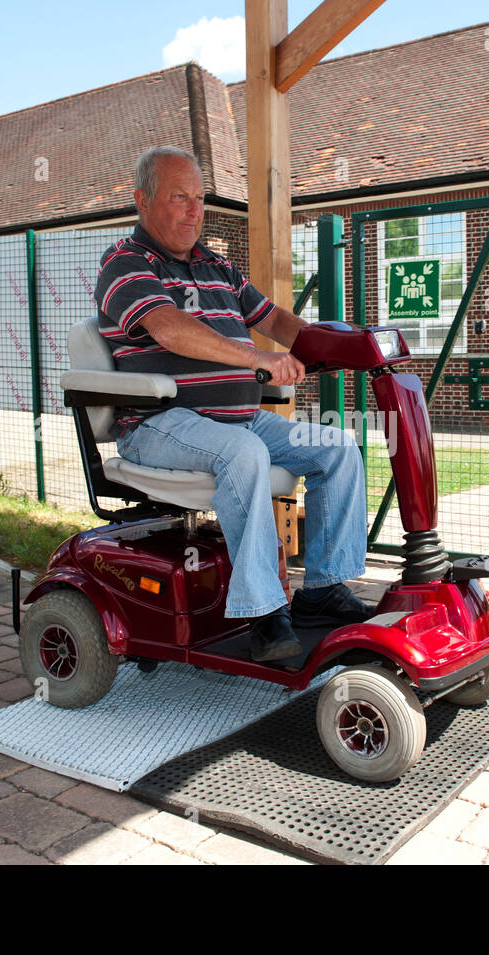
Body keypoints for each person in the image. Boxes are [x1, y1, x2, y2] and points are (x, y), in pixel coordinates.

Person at [93, 146, 372, 663]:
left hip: (237, 419)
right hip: (159, 423)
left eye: (200, 198)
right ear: (142, 201)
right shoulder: (126, 263)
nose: (195, 210)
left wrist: (344, 345)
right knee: (243, 453)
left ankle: (323, 590)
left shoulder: (217, 267)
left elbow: (277, 321)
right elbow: (169, 327)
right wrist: (255, 358)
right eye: (180, 197)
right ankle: (264, 612)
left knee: (336, 446)